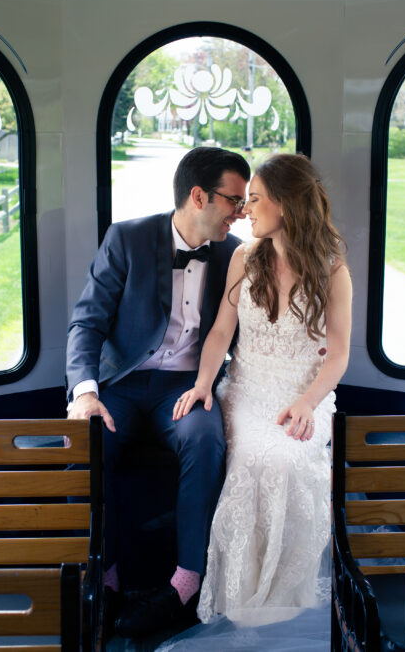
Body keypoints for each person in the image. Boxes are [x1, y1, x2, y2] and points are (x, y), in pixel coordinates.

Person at [65, 146, 251, 639]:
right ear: (198, 196)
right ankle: (103, 581)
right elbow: (86, 323)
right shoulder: (127, 238)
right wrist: (84, 393)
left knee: (206, 439)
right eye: (234, 200)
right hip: (122, 384)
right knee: (91, 442)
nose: (242, 211)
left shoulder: (235, 254)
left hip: (188, 388)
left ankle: (186, 584)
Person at [173, 153, 352, 626]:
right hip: (248, 390)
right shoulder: (243, 257)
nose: (244, 210)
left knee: (291, 458)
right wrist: (203, 386)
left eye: (254, 200)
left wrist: (308, 402)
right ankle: (241, 603)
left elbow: (337, 356)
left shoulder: (332, 270)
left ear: (287, 206)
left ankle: (283, 600)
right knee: (257, 457)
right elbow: (219, 332)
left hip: (303, 394)